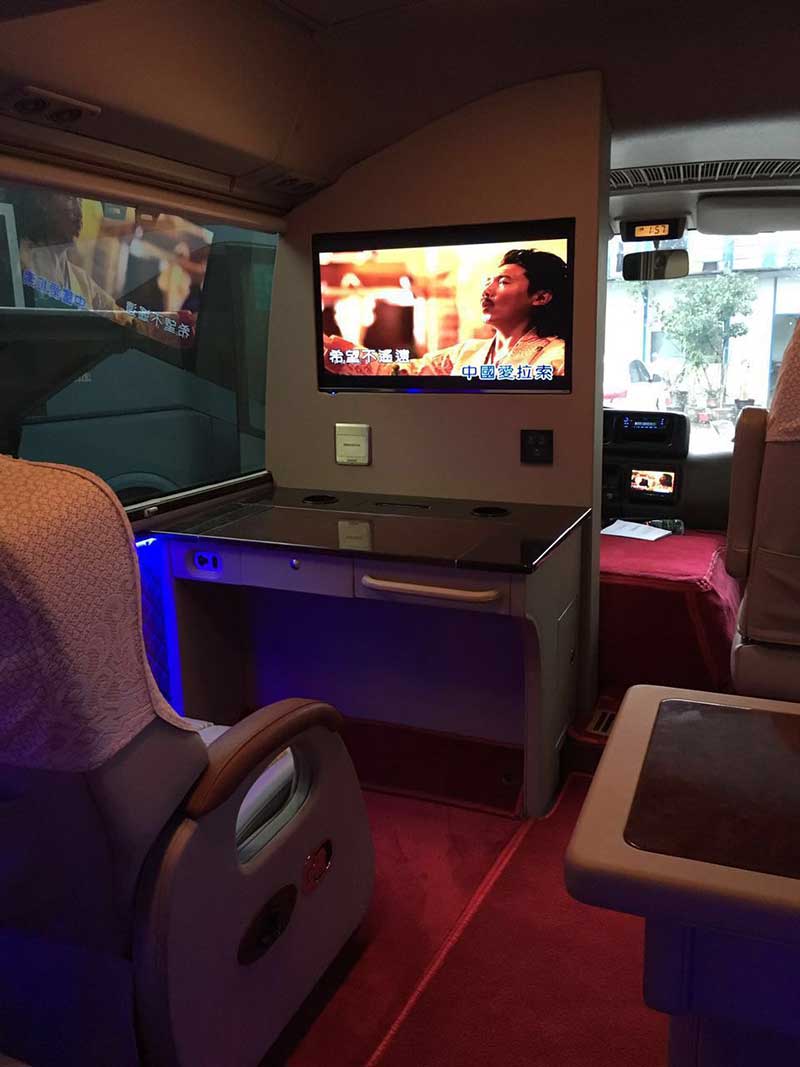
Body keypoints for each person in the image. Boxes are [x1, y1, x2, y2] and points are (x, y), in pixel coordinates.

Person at [323, 247, 568, 378]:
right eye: (488, 282)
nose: (487, 291)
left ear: (540, 297)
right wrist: (328, 348)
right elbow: (399, 373)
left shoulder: (556, 358)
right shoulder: (465, 353)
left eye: (503, 282)